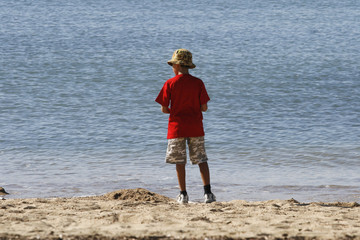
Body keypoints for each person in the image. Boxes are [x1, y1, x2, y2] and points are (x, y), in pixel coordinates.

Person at [155, 49, 216, 204]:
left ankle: (183, 194)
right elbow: (204, 108)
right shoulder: (198, 83)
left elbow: (164, 109)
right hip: (195, 127)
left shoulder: (170, 83)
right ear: (188, 66)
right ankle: (208, 193)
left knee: (179, 161)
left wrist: (174, 110)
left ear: (176, 66)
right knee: (201, 160)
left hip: (177, 128)